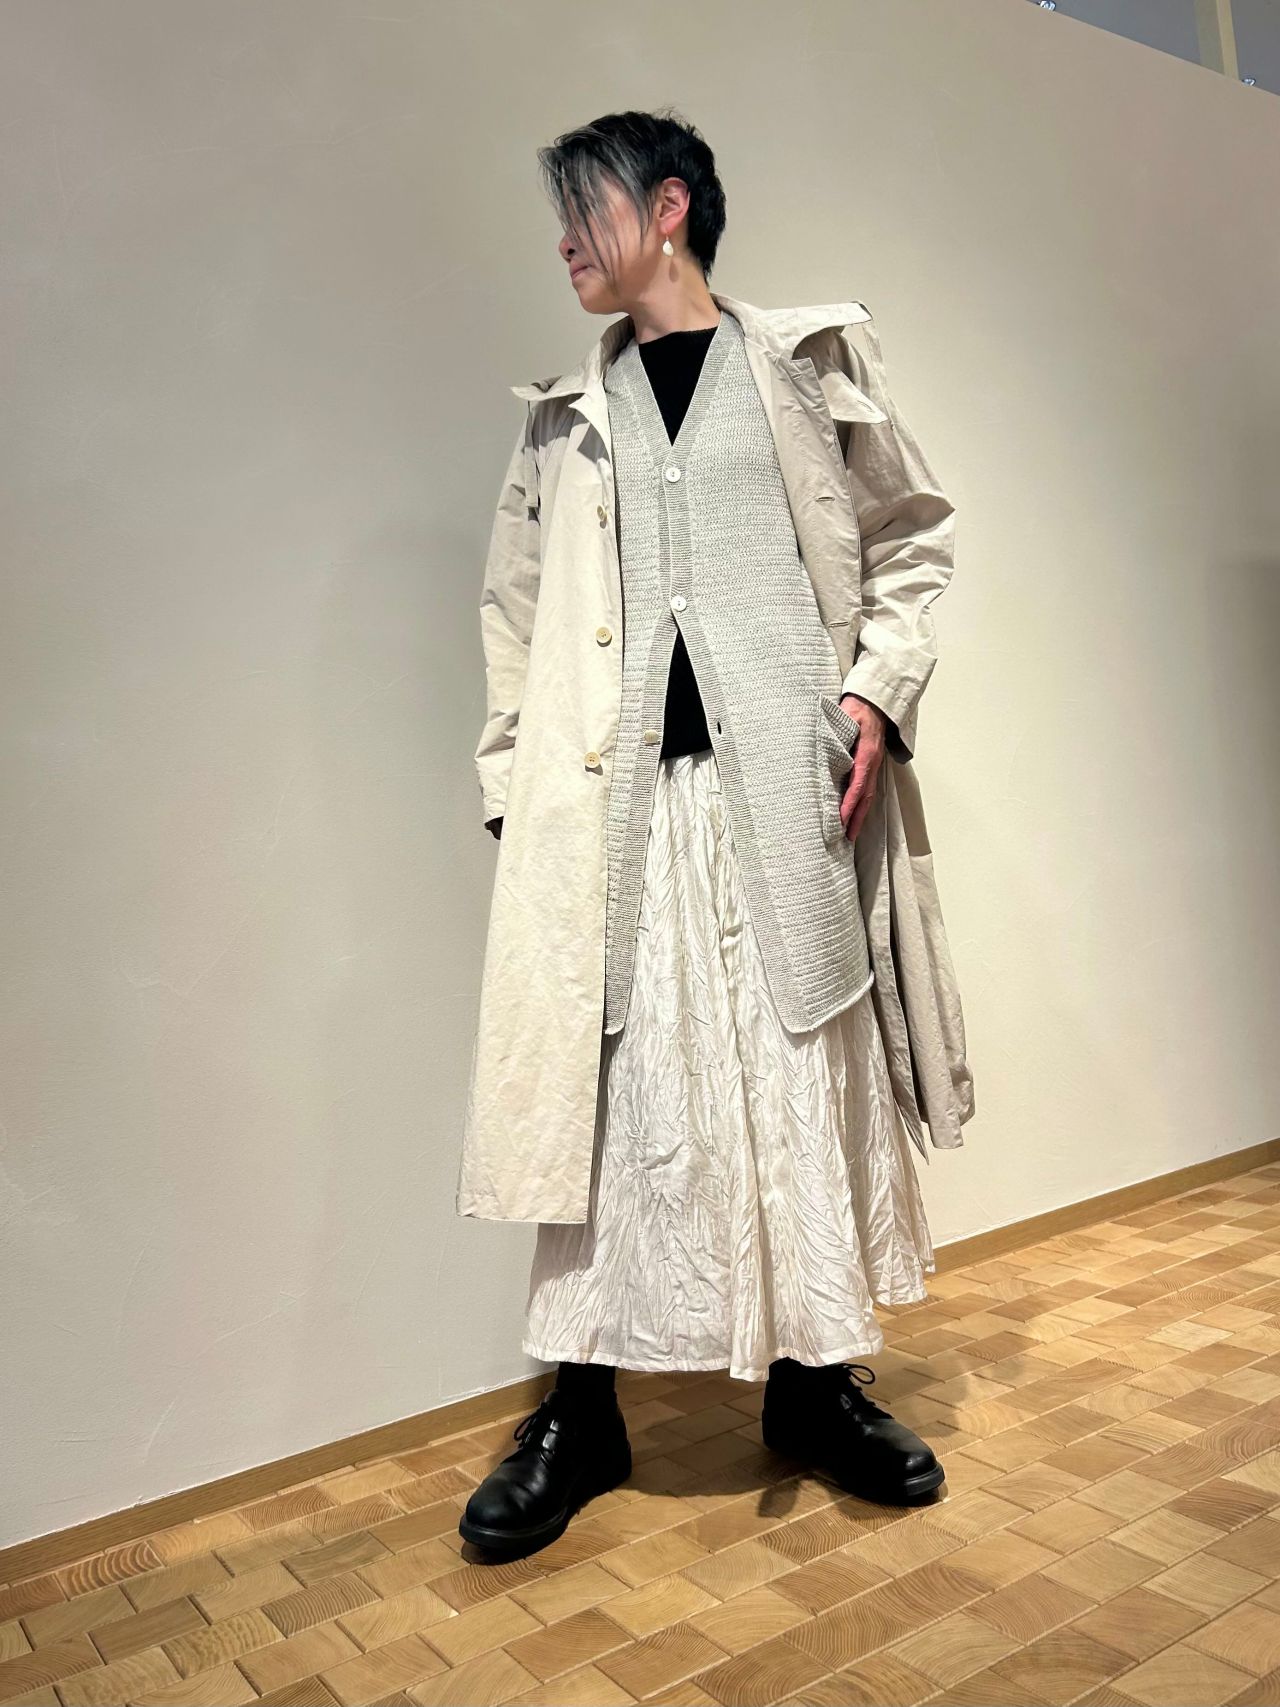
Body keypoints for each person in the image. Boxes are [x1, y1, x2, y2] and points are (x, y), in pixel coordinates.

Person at [458, 108, 961, 1558]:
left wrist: (874, 697)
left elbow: (912, 535)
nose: (566, 241)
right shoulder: (564, 418)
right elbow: (513, 616)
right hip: (616, 815)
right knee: (615, 1100)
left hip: (779, 804)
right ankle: (582, 1409)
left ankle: (813, 1386)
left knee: (796, 1075)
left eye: (588, 211)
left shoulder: (805, 364)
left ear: (668, 207)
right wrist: (512, 785)